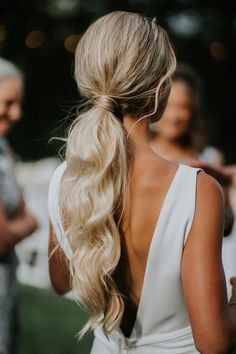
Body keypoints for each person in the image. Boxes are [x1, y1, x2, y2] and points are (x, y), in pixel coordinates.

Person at [48, 12, 236, 354]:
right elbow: (215, 342)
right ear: (161, 87)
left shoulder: (64, 179)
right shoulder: (198, 190)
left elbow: (61, 281)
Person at [150, 64, 234, 236]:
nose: (174, 117)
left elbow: (226, 226)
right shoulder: (140, 154)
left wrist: (221, 196)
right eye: (169, 106)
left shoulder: (210, 158)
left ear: (192, 112)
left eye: (183, 107)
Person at [0, 58, 38, 354]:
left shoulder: (3, 148)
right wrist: (27, 223)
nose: (17, 113)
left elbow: (25, 214)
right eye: (8, 102)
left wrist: (22, 222)